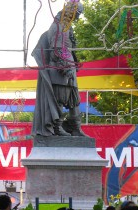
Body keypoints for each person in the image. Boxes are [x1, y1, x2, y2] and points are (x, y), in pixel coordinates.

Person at [32, 1, 87, 137]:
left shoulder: (66, 27)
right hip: (60, 70)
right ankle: (56, 127)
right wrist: (66, 67)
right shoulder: (58, 26)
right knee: (60, 99)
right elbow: (56, 50)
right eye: (77, 14)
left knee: (74, 100)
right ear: (71, 12)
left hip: (69, 69)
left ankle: (75, 128)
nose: (78, 18)